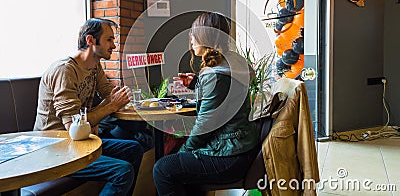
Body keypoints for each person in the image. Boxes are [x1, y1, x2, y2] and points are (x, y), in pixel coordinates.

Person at [153, 12, 260, 195]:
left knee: (162, 169)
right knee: (178, 164)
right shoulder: (232, 62)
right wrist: (197, 84)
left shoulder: (216, 75)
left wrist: (184, 152)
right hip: (241, 146)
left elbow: (205, 125)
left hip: (231, 156)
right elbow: (225, 97)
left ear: (206, 36)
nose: (191, 40)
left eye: (194, 34)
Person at [34, 18, 144, 196]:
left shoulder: (94, 67)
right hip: (54, 149)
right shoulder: (65, 71)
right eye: (109, 40)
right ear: (90, 40)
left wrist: (124, 100)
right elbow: (73, 127)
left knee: (134, 149)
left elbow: (109, 94)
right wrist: (111, 105)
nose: (114, 46)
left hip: (78, 142)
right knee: (122, 171)